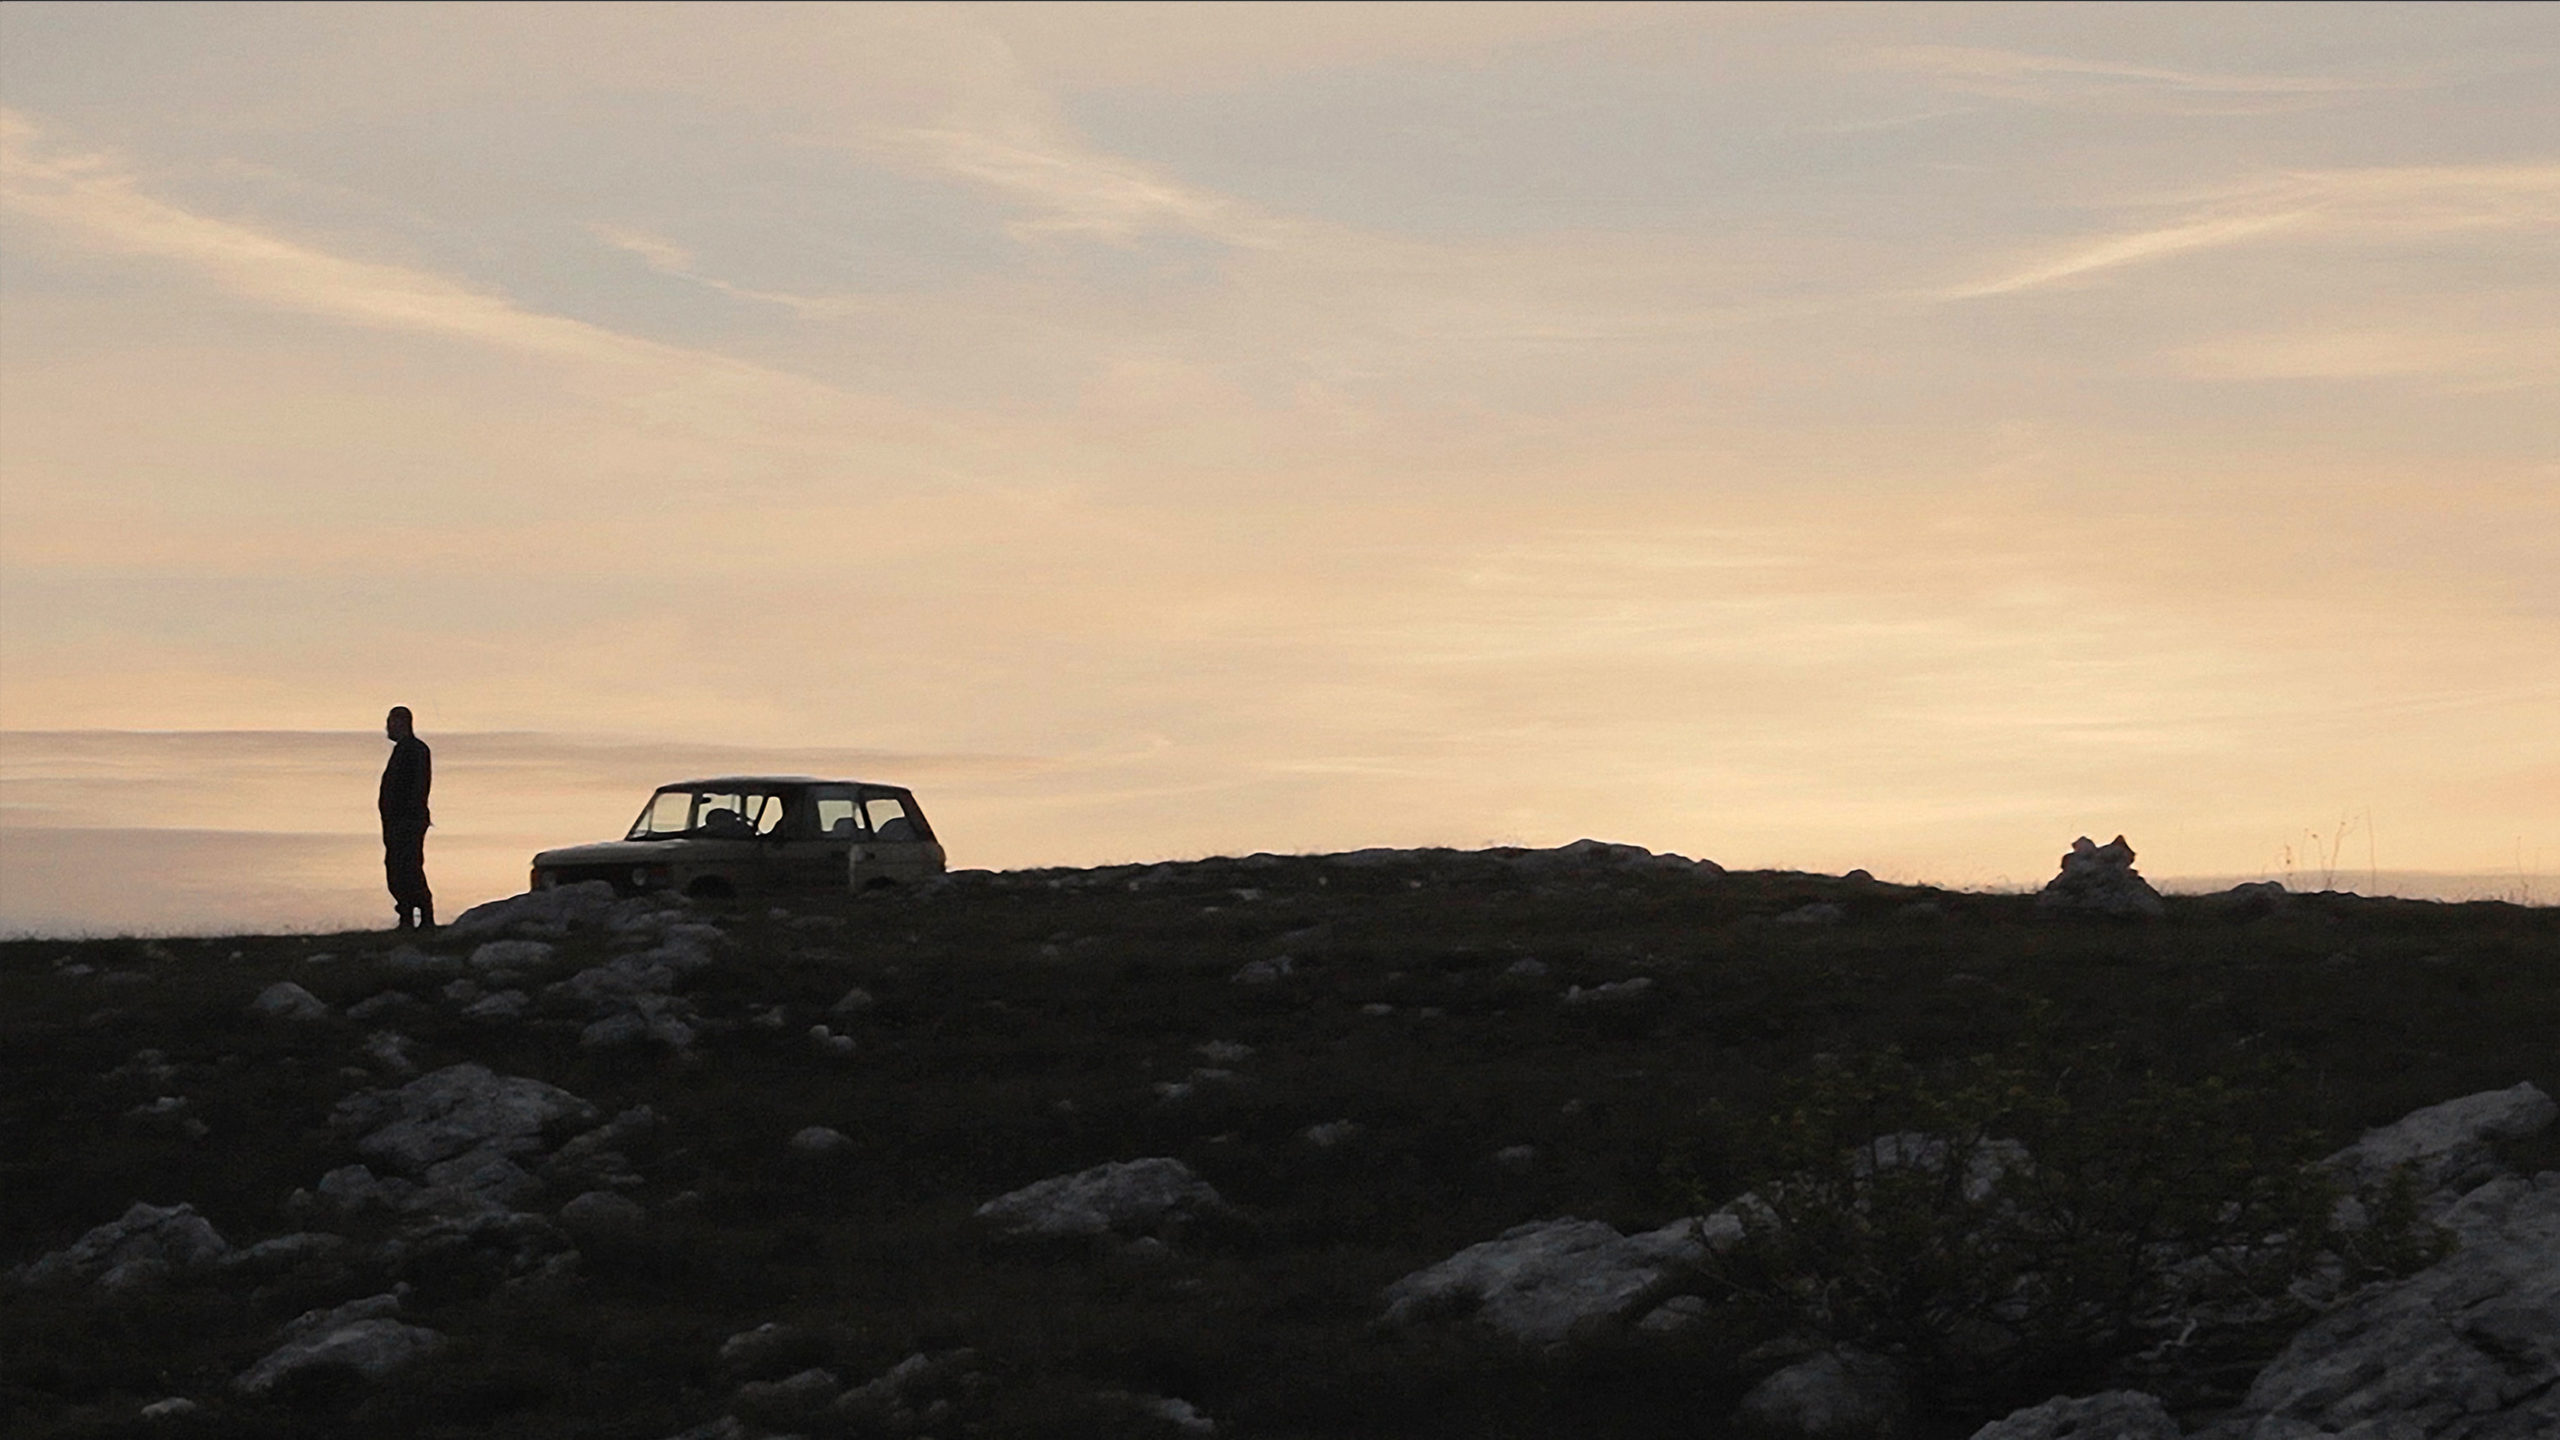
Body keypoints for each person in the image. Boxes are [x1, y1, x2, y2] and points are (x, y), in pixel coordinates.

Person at [379, 706, 434, 930]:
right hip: (398, 821)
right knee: (397, 866)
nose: (387, 727)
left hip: (406, 821)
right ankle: (407, 914)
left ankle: (422, 914)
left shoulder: (415, 750)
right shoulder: (405, 750)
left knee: (408, 866)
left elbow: (417, 787)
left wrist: (406, 817)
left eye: (391, 722)